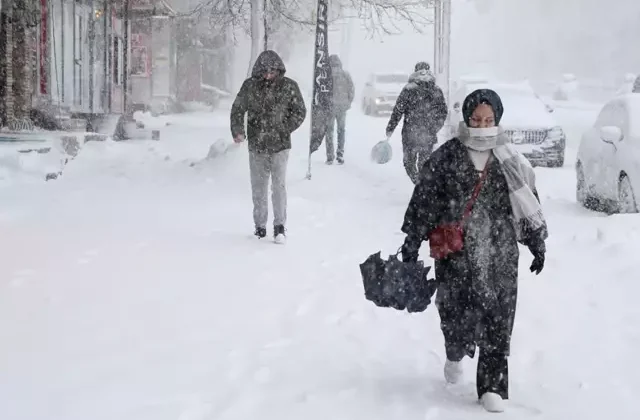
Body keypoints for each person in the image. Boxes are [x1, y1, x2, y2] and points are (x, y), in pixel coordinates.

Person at [400, 89, 548, 413]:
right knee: (455, 315)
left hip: (500, 252)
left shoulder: (509, 158)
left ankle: (492, 385)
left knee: (499, 317)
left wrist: (537, 242)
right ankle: (455, 351)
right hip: (457, 255)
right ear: (466, 119)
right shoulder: (447, 156)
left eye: (488, 120)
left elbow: (527, 203)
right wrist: (412, 241)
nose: (482, 126)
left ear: (497, 120)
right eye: (476, 120)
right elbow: (424, 201)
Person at [230, 50, 306, 243]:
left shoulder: (289, 87)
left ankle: (279, 226)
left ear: (278, 69)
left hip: (280, 146)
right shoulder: (250, 87)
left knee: (279, 186)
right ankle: (260, 226)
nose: (268, 75)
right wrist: (238, 130)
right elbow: (238, 109)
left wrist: (285, 128)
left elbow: (300, 111)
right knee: (259, 187)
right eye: (264, 72)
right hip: (257, 145)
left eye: (272, 71)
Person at [385, 61, 448, 184]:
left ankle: (418, 184)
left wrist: (390, 128)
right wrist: (435, 127)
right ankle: (423, 187)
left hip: (410, 134)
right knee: (424, 164)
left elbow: (398, 110)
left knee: (409, 163)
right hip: (428, 134)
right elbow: (443, 112)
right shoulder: (436, 90)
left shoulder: (408, 89)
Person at [325, 55, 355, 165]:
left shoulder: (326, 75)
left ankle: (330, 156)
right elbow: (351, 89)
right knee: (341, 131)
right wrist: (348, 102)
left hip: (330, 107)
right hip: (342, 107)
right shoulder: (345, 75)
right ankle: (340, 153)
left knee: (329, 132)